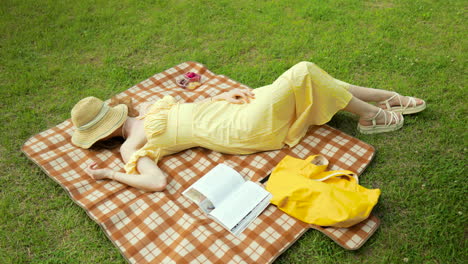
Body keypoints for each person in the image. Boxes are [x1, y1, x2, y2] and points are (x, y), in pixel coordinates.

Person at [71, 61, 425, 192]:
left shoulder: (150, 105)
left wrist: (230, 94)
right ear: (104, 133)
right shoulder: (131, 146)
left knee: (313, 79)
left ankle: (384, 99)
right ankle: (373, 114)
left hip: (239, 108)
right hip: (242, 131)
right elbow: (157, 181)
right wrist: (110, 175)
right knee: (303, 71)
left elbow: (195, 107)